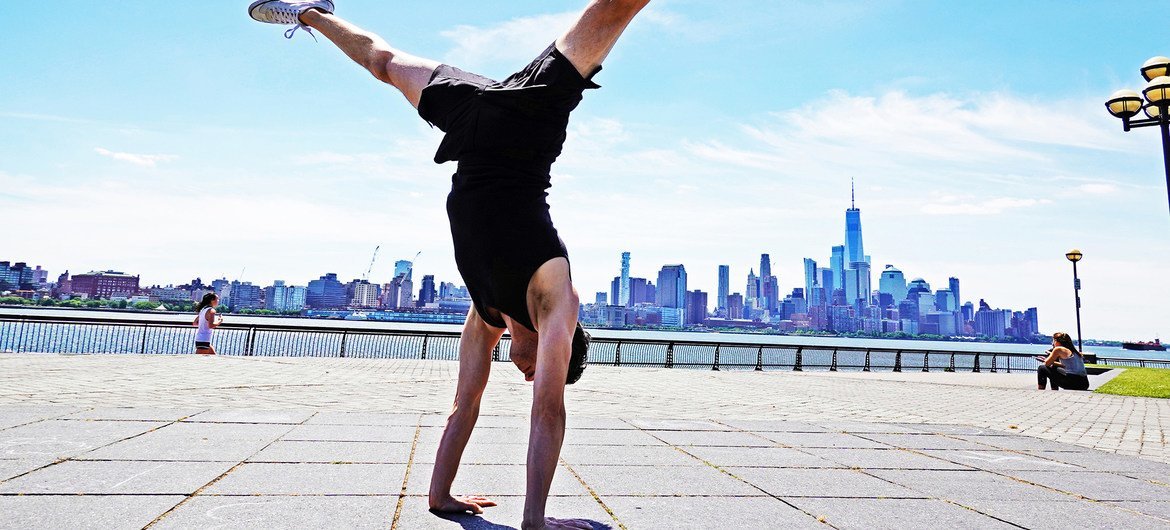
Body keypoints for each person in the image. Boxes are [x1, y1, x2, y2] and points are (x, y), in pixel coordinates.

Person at [248, 1, 644, 527]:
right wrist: (535, 522)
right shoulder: (556, 305)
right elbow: (548, 412)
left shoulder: (486, 316)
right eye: (540, 370)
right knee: (616, 11)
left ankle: (310, 14)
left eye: (532, 374)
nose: (528, 375)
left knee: (382, 65)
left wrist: (441, 498)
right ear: (562, 349)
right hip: (528, 123)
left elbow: (464, 405)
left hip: (474, 123)